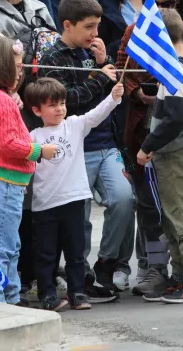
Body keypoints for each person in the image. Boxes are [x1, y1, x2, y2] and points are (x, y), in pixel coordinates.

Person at [116, 0, 183, 295]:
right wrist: (135, 91)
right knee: (153, 213)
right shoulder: (135, 32)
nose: (160, 11)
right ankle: (157, 269)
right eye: (153, 5)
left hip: (175, 143)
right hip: (142, 135)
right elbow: (123, 69)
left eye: (167, 3)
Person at [38, 0, 132, 302]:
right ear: (67, 25)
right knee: (80, 219)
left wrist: (104, 64)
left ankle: (106, 262)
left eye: (98, 26)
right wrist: (97, 76)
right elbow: (66, 101)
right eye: (89, 27)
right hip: (75, 148)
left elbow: (109, 94)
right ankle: (82, 277)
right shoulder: (53, 58)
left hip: (105, 143)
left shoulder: (94, 53)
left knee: (124, 198)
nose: (95, 34)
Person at [27, 76, 125, 311]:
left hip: (73, 200)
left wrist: (113, 98)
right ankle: (48, 294)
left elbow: (96, 114)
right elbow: (23, 162)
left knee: (75, 252)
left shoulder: (74, 125)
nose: (59, 109)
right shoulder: (33, 137)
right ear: (36, 110)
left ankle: (77, 292)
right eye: (52, 105)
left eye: (61, 103)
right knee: (46, 255)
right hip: (44, 205)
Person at [0, 36, 58, 304]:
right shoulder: (0, 100)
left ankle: (11, 297)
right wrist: (39, 151)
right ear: (0, 66)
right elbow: (10, 144)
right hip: (4, 180)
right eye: (17, 66)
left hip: (6, 180)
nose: (21, 71)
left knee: (10, 245)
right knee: (2, 247)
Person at [136, 9, 183, 304]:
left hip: (174, 152)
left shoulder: (173, 71)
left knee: (181, 218)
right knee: (173, 216)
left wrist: (148, 145)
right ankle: (179, 276)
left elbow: (175, 117)